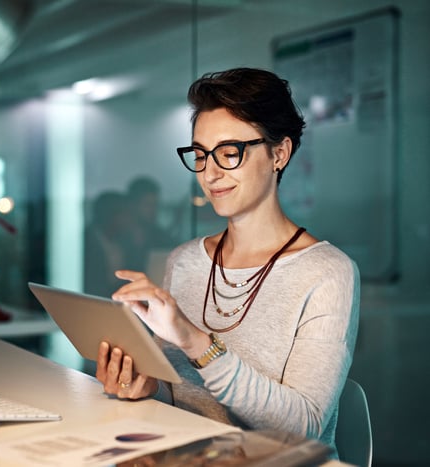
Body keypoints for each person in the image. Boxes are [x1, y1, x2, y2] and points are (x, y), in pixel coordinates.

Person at [95, 68, 359, 455]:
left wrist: (195, 340)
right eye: (200, 154)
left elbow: (303, 427)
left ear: (279, 154)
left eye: (230, 153)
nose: (210, 172)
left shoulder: (327, 272)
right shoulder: (184, 261)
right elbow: (185, 403)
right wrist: (148, 389)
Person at [122, 176, 175, 272]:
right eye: (147, 205)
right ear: (133, 205)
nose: (153, 210)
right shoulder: (117, 235)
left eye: (155, 205)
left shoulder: (161, 237)